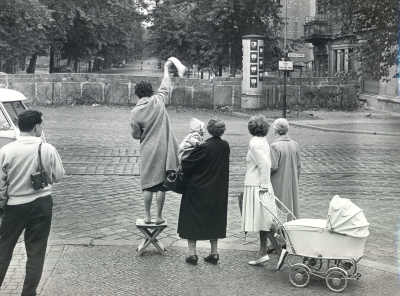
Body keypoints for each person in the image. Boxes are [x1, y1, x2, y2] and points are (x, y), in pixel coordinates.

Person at [0, 110, 65, 296]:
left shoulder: (5, 151)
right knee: (36, 251)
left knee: (3, 249)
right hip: (41, 204)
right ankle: (28, 293)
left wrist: (5, 203)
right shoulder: (48, 149)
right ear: (37, 127)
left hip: (14, 206)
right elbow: (59, 175)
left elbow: (0, 185)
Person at [130, 58, 182, 225]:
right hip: (162, 148)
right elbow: (165, 87)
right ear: (151, 91)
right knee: (160, 184)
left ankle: (147, 216)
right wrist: (166, 69)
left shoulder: (135, 111)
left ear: (137, 94)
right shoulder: (158, 101)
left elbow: (136, 135)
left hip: (147, 149)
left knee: (147, 184)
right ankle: (159, 216)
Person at [177, 119, 230, 265]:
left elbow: (187, 165)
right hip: (217, 190)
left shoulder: (204, 147)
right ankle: (214, 252)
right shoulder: (225, 146)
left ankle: (192, 254)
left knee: (191, 218)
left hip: (197, 189)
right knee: (214, 218)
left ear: (209, 130)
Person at [241, 115, 282, 266]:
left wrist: (264, 186)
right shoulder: (263, 141)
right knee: (262, 221)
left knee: (265, 221)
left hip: (257, 186)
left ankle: (278, 250)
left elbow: (265, 165)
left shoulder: (254, 144)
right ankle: (263, 252)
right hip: (261, 185)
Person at [270, 118, 301, 221]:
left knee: (279, 207)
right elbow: (298, 166)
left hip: (278, 182)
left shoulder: (275, 146)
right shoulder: (294, 144)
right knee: (291, 206)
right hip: (292, 182)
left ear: (275, 130)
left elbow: (273, 166)